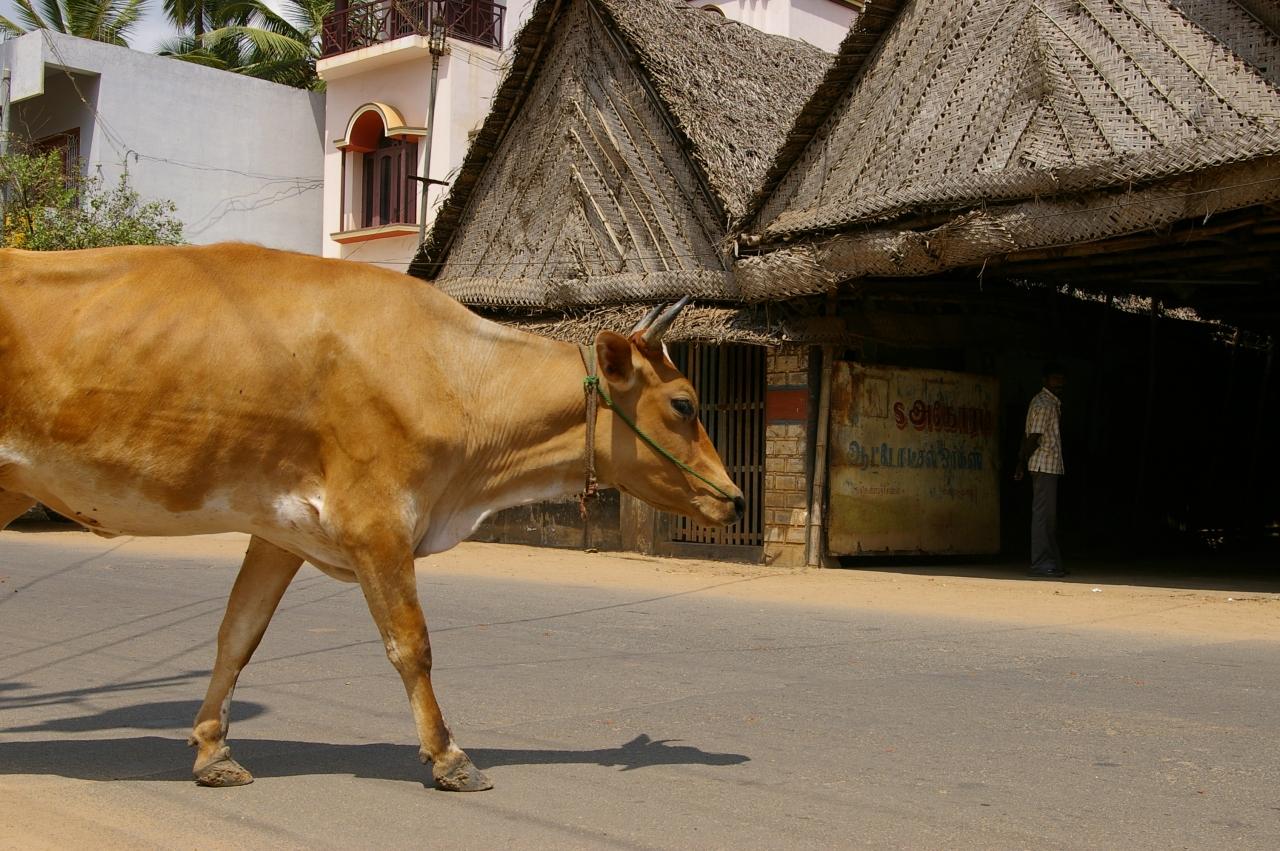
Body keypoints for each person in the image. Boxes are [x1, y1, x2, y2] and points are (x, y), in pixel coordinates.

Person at [1014, 364, 1067, 578]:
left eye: (1061, 379)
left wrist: (1021, 461)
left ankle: (1052, 562)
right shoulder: (1045, 404)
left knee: (1048, 517)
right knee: (1044, 517)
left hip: (1046, 465)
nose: (1059, 383)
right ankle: (1041, 563)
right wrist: (1021, 462)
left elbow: (1028, 434)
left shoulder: (1046, 401)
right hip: (1043, 464)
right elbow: (1034, 437)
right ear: (1045, 380)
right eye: (1055, 378)